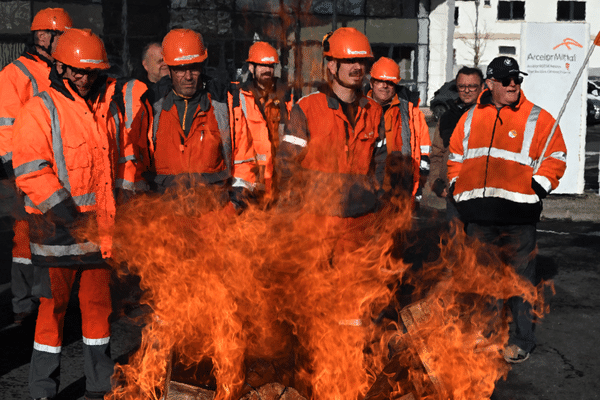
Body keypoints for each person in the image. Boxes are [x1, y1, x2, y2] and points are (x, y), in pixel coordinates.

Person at [12, 28, 125, 400]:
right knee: (51, 316)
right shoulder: (40, 108)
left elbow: (112, 169)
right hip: (58, 233)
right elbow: (30, 169)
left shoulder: (107, 107)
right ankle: (42, 390)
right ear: (59, 66)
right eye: (76, 71)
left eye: (90, 72)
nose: (84, 78)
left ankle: (99, 387)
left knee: (98, 315)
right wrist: (67, 213)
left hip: (98, 233)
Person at [447, 56, 567, 363]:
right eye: (506, 79)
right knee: (483, 279)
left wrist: (539, 186)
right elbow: (456, 155)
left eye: (517, 78)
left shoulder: (538, 118)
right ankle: (487, 335)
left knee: (520, 282)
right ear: (490, 84)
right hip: (479, 217)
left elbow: (556, 156)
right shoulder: (471, 117)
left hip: (519, 217)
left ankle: (521, 339)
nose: (513, 84)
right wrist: (455, 187)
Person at [278, 27, 387, 254]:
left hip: (359, 222)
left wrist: (375, 200)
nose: (357, 68)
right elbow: (286, 165)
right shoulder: (307, 109)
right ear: (331, 65)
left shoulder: (374, 112)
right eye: (348, 61)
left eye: (361, 61)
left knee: (355, 287)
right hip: (316, 222)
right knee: (315, 287)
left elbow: (381, 166)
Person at [0, 7, 73, 328]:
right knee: (23, 239)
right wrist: (17, 173)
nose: (55, 39)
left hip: (59, 171)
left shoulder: (64, 71)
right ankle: (22, 303)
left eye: (60, 34)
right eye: (49, 33)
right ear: (37, 35)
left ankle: (48, 300)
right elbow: (4, 127)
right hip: (26, 171)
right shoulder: (15, 74)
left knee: (51, 238)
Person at [149, 28, 253, 210]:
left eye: (194, 68)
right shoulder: (152, 105)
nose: (188, 77)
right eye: (181, 70)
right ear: (169, 68)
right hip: (165, 222)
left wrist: (234, 205)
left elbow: (244, 160)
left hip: (213, 219)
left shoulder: (225, 103)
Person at [229, 41, 293, 205]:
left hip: (277, 183)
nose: (267, 70)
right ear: (251, 67)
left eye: (270, 66)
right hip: (247, 186)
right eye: (262, 66)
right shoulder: (237, 98)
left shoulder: (285, 98)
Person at [367, 56, 431, 208]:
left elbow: (424, 153)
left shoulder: (411, 113)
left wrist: (418, 188)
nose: (385, 86)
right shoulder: (357, 109)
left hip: (399, 193)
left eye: (390, 82)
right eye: (380, 81)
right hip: (365, 192)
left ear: (396, 85)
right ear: (371, 83)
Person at [430, 66, 484, 221]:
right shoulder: (448, 116)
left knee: (480, 243)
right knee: (455, 242)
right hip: (453, 195)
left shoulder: (492, 114)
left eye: (472, 86)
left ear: (482, 87)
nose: (467, 91)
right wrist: (436, 182)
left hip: (483, 197)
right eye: (462, 86)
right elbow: (437, 152)